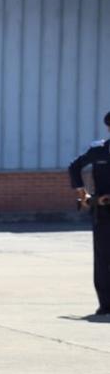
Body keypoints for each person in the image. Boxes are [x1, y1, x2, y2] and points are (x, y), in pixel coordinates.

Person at [68, 111, 110, 316]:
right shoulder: (99, 150)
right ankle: (106, 304)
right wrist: (82, 192)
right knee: (103, 260)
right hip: (103, 211)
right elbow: (74, 167)